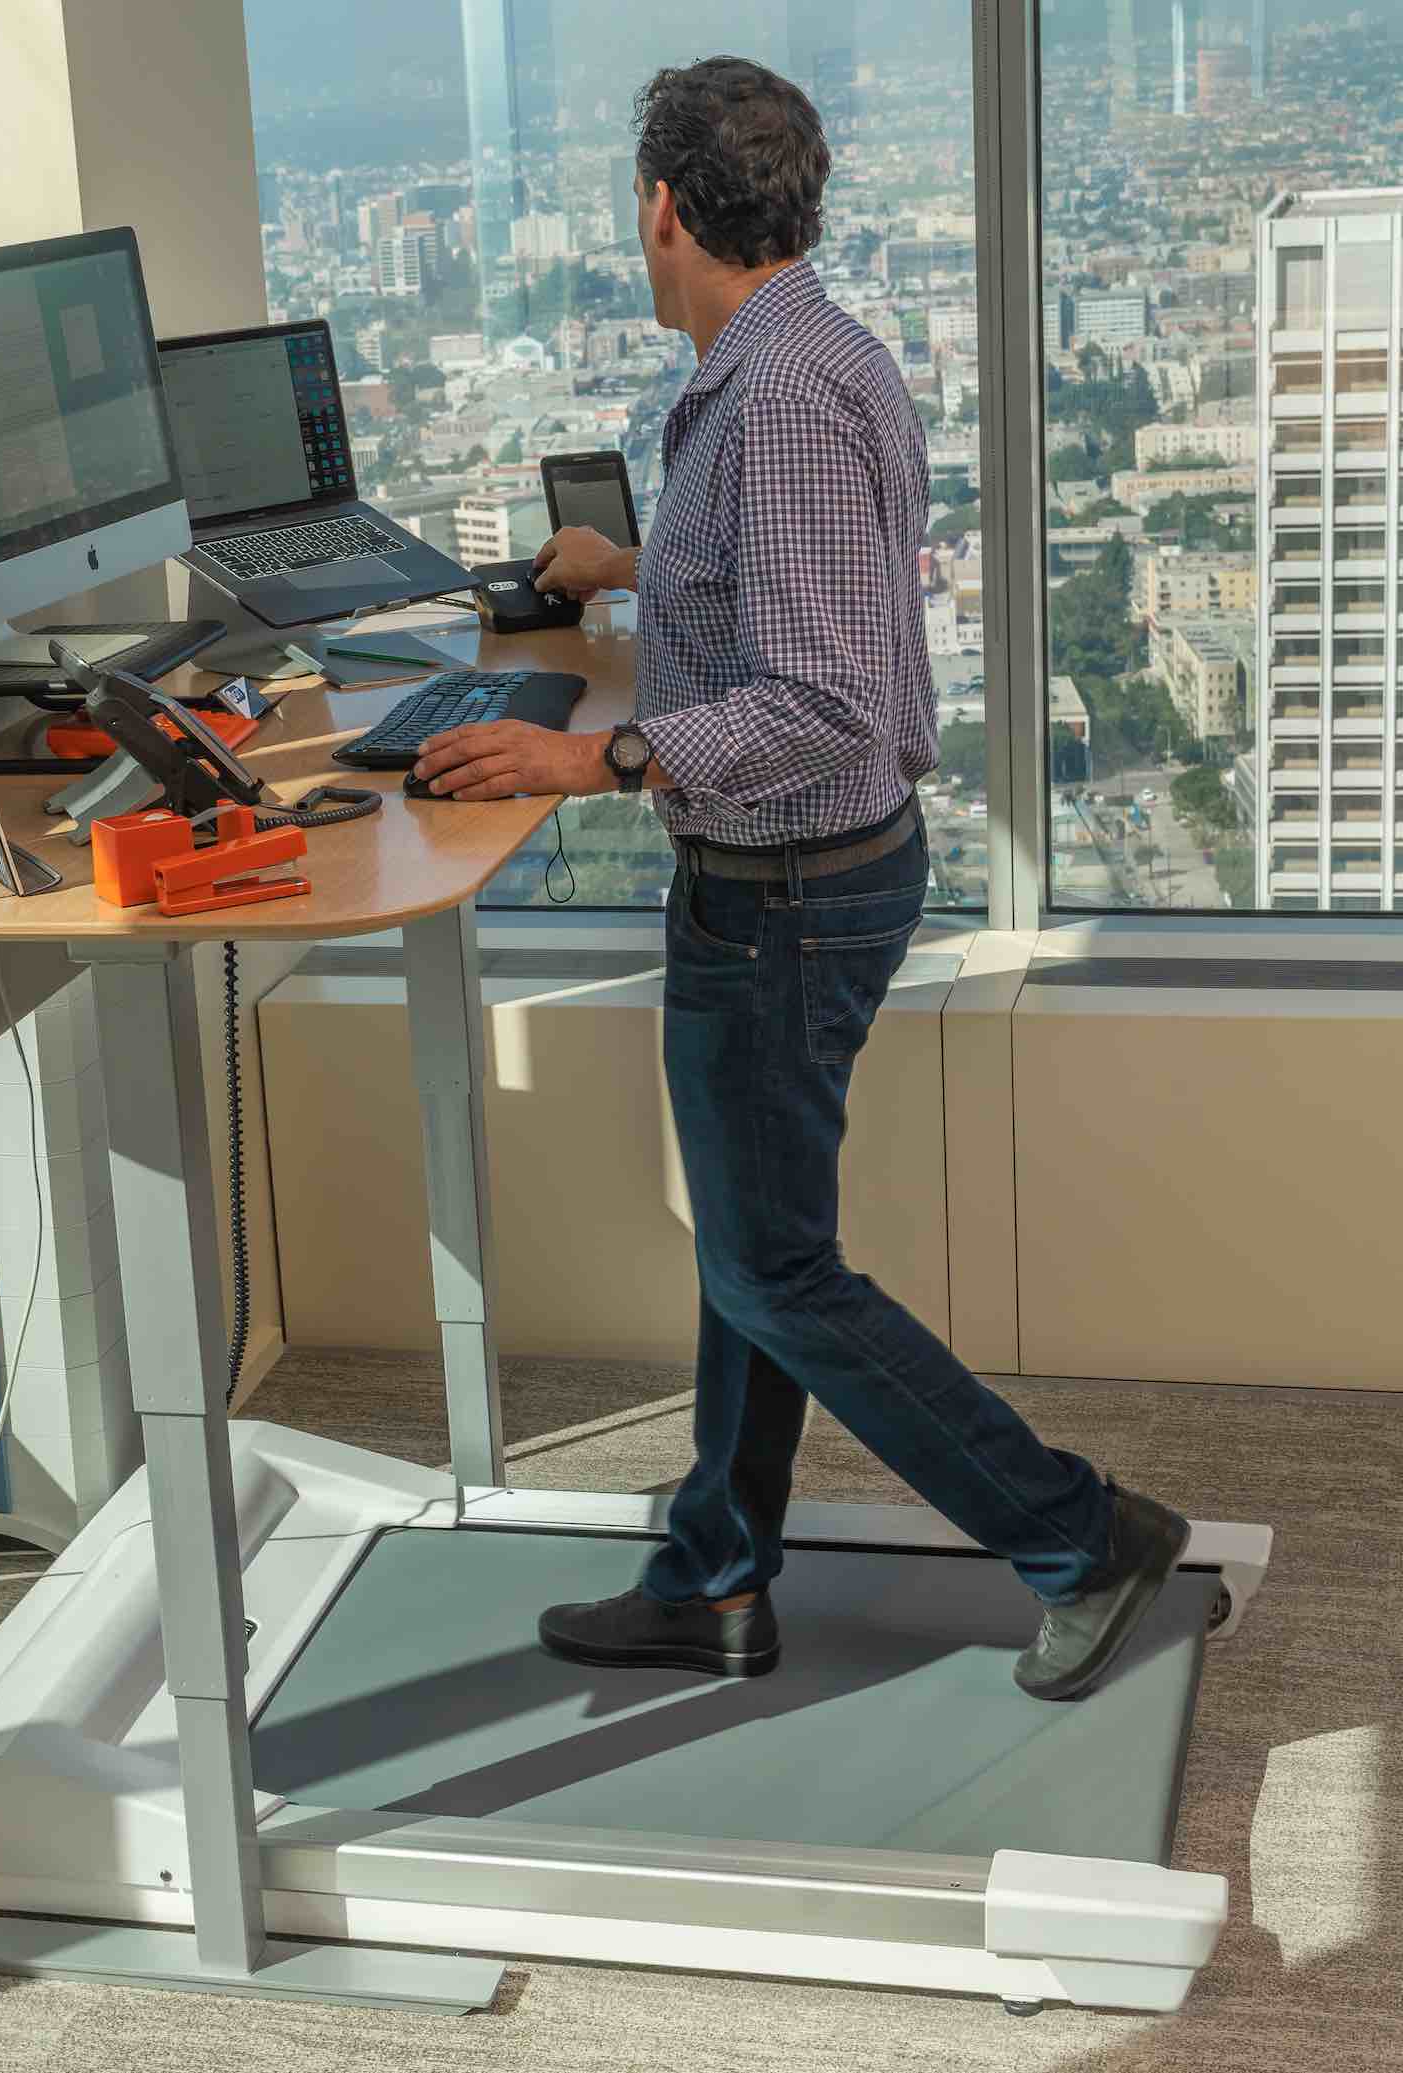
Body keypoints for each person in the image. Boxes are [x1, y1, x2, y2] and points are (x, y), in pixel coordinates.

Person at [411, 55, 1187, 1703]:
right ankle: (715, 1576)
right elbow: (795, 592)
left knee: (773, 1265)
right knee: (756, 1242)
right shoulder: (810, 347)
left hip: (786, 890)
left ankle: (1078, 1534)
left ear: (664, 208)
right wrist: (643, 564)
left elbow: (824, 690)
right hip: (801, 877)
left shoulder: (770, 394)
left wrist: (592, 759)